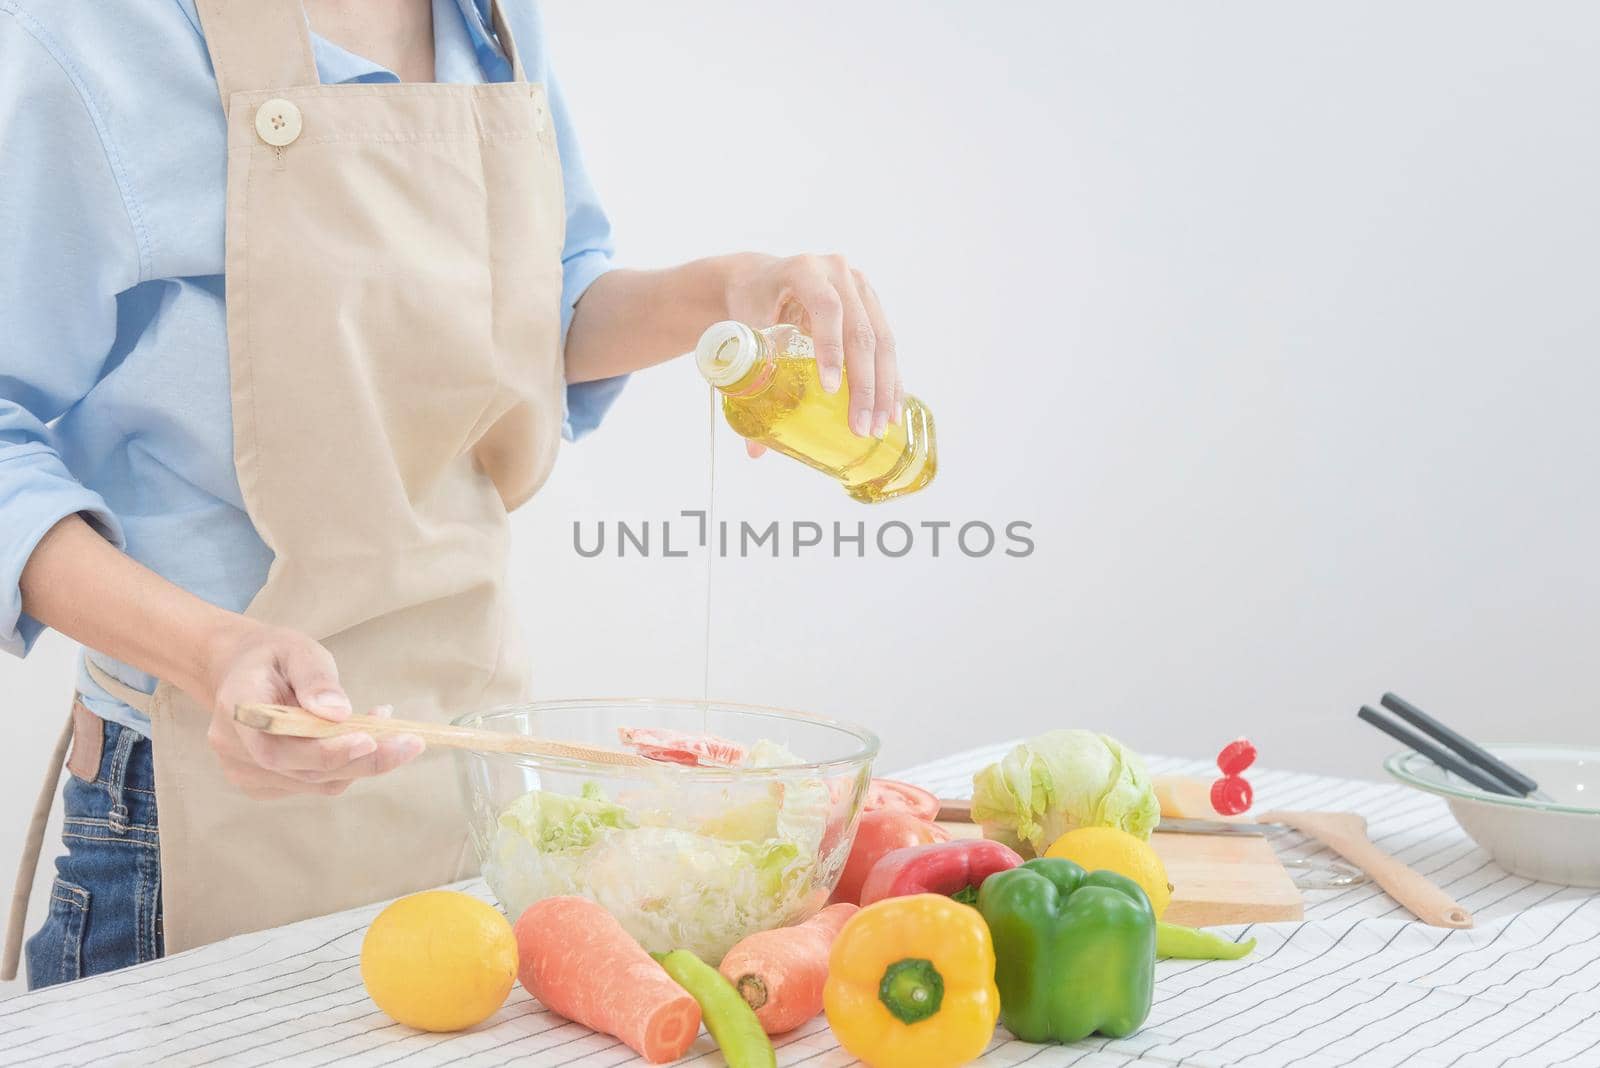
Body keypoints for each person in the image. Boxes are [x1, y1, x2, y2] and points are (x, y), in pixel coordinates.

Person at [0, 0, 902, 989]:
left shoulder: (498, 27)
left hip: (472, 768)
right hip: (200, 799)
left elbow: (539, 314)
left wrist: (726, 288)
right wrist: (213, 653)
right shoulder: (101, 39)